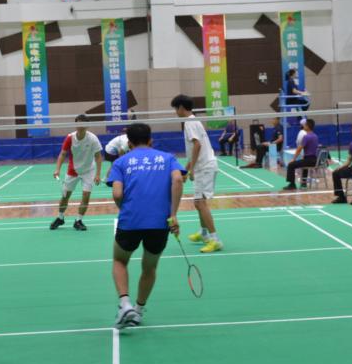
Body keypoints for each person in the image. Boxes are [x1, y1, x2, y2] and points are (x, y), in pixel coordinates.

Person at [107, 122, 184, 328]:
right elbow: (178, 180)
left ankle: (125, 304)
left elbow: (117, 193)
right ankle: (139, 311)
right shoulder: (168, 158)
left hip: (130, 221)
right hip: (160, 223)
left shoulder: (121, 162)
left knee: (120, 260)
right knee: (149, 267)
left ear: (129, 143)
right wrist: (173, 215)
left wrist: (125, 208)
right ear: (151, 140)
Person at [172, 94, 223, 253]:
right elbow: (193, 150)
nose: (175, 112)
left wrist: (192, 169)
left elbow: (197, 145)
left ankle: (215, 240)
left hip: (204, 167)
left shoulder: (190, 123)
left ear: (181, 107)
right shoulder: (193, 121)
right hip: (203, 165)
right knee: (198, 202)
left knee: (200, 203)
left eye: (176, 108)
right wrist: (186, 169)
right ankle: (204, 233)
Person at [50, 114, 103, 231]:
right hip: (73, 171)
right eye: (79, 123)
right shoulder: (70, 138)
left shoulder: (93, 138)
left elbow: (98, 156)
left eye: (83, 124)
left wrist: (98, 174)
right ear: (76, 124)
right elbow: (62, 154)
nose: (81, 126)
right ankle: (60, 218)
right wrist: (57, 169)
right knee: (65, 196)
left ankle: (78, 220)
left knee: (86, 196)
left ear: (87, 125)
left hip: (88, 171)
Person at [283, 118, 319, 191]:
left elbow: (299, 149)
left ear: (307, 126)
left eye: (305, 125)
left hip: (309, 160)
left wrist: (293, 159)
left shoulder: (306, 137)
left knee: (291, 165)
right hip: (314, 160)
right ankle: (303, 183)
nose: (303, 126)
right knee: (303, 162)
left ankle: (292, 184)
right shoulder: (315, 136)